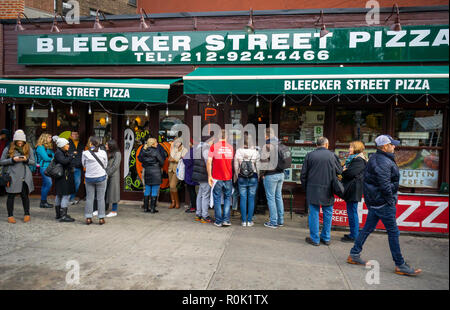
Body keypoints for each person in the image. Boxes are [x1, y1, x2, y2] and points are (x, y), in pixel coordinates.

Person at [347, 135, 422, 276]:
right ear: (384, 146)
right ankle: (400, 264)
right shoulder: (383, 162)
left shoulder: (376, 158)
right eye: (392, 144)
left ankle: (354, 254)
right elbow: (385, 185)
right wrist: (390, 200)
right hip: (383, 203)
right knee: (393, 233)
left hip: (375, 202)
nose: (394, 146)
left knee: (368, 228)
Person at [300, 136, 342, 246]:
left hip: (312, 189)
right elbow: (340, 171)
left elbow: (303, 174)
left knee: (314, 213)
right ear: (327, 145)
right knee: (328, 213)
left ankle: (315, 239)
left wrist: (305, 188)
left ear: (316, 145)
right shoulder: (332, 156)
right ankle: (326, 238)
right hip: (328, 189)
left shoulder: (310, 155)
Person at [0, 130, 35, 224]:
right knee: (11, 196)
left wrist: (26, 160)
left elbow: (33, 162)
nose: (20, 143)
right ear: (15, 140)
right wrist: (12, 160)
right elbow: (1, 161)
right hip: (12, 176)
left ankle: (27, 214)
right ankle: (10, 215)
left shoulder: (28, 147)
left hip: (24, 176)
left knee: (25, 196)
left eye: (22, 141)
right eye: (18, 141)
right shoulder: (8, 148)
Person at [340, 141, 367, 243]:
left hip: (354, 188)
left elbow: (350, 173)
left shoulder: (359, 160)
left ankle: (354, 236)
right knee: (352, 211)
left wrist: (344, 170)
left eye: (351, 147)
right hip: (353, 188)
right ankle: (353, 233)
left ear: (356, 148)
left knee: (352, 212)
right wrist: (345, 170)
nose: (349, 149)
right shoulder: (355, 159)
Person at [260, 127, 285, 229]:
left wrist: (262, 174)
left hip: (271, 175)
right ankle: (280, 220)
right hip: (281, 174)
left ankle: (273, 222)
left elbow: (264, 162)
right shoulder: (280, 144)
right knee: (278, 197)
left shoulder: (267, 145)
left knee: (271, 198)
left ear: (266, 135)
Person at [207, 129, 234, 227]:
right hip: (228, 177)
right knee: (227, 198)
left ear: (218, 136)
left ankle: (218, 221)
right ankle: (226, 220)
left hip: (217, 177)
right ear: (227, 137)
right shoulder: (231, 148)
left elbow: (209, 162)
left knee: (217, 199)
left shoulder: (213, 147)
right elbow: (231, 162)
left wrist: (209, 175)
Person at [234, 134, 260, 227]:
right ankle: (249, 221)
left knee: (243, 198)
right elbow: (258, 166)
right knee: (251, 199)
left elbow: (236, 166)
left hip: (241, 177)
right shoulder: (255, 152)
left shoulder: (238, 151)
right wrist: (259, 176)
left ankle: (243, 221)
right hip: (253, 176)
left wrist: (237, 176)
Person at [82, 136, 108, 225]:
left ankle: (88, 218)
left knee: (89, 198)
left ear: (90, 143)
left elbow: (84, 165)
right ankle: (101, 218)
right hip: (101, 177)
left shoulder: (85, 153)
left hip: (89, 177)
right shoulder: (103, 153)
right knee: (101, 198)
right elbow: (105, 164)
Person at [138, 138, 164, 213]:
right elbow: (161, 161)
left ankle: (146, 208)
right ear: (152, 144)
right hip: (156, 172)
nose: (157, 144)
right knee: (154, 190)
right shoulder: (156, 151)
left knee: (147, 189)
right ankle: (152, 208)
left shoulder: (144, 151)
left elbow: (140, 159)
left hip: (147, 171)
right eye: (156, 143)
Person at [53, 138, 76, 222]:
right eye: (67, 144)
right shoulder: (59, 153)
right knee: (65, 195)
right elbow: (64, 162)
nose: (68, 146)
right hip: (63, 177)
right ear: (62, 145)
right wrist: (71, 156)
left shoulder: (61, 152)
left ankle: (59, 214)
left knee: (59, 195)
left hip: (62, 177)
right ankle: (63, 216)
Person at [191, 135, 213, 223]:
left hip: (198, 175)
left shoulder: (198, 148)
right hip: (204, 175)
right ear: (208, 141)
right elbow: (208, 163)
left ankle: (198, 214)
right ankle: (205, 216)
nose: (213, 142)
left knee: (200, 194)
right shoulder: (206, 149)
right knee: (205, 195)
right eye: (212, 140)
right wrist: (210, 175)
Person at [36, 133, 55, 209]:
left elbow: (54, 155)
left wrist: (53, 158)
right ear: (44, 138)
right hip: (43, 168)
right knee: (49, 184)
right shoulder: (40, 147)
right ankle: (43, 201)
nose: (51, 139)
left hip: (49, 168)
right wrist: (52, 159)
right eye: (50, 137)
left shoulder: (48, 147)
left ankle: (43, 202)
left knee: (45, 185)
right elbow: (46, 158)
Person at [167, 135, 187, 209]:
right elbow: (169, 158)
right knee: (171, 187)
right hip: (170, 169)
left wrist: (175, 160)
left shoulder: (184, 150)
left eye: (177, 141)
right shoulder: (173, 149)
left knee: (173, 185)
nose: (176, 143)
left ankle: (177, 202)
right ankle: (173, 202)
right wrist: (171, 159)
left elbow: (184, 160)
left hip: (177, 170)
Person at [105, 140, 121, 217]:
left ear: (111, 146)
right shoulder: (108, 153)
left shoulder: (117, 153)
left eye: (107, 145)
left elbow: (115, 166)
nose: (106, 146)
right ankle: (106, 208)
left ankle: (114, 211)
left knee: (114, 193)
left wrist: (107, 173)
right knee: (107, 193)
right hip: (107, 175)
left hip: (113, 175)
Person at [68, 130, 85, 204]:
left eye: (76, 134)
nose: (75, 135)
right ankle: (68, 198)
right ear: (71, 135)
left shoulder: (81, 144)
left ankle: (72, 198)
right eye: (73, 134)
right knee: (69, 183)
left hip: (78, 167)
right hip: (70, 166)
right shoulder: (67, 143)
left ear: (78, 135)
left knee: (77, 183)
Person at [183, 139, 198, 213]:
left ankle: (193, 207)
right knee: (196, 192)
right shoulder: (197, 150)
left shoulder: (191, 151)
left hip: (190, 173)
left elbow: (187, 162)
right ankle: (196, 206)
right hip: (196, 173)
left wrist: (183, 158)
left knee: (192, 191)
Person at [0, 129, 11, 196]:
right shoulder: (1, 141)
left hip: (4, 161)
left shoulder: (8, 142)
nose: (2, 136)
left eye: (3, 134)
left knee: (3, 176)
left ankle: (3, 191)